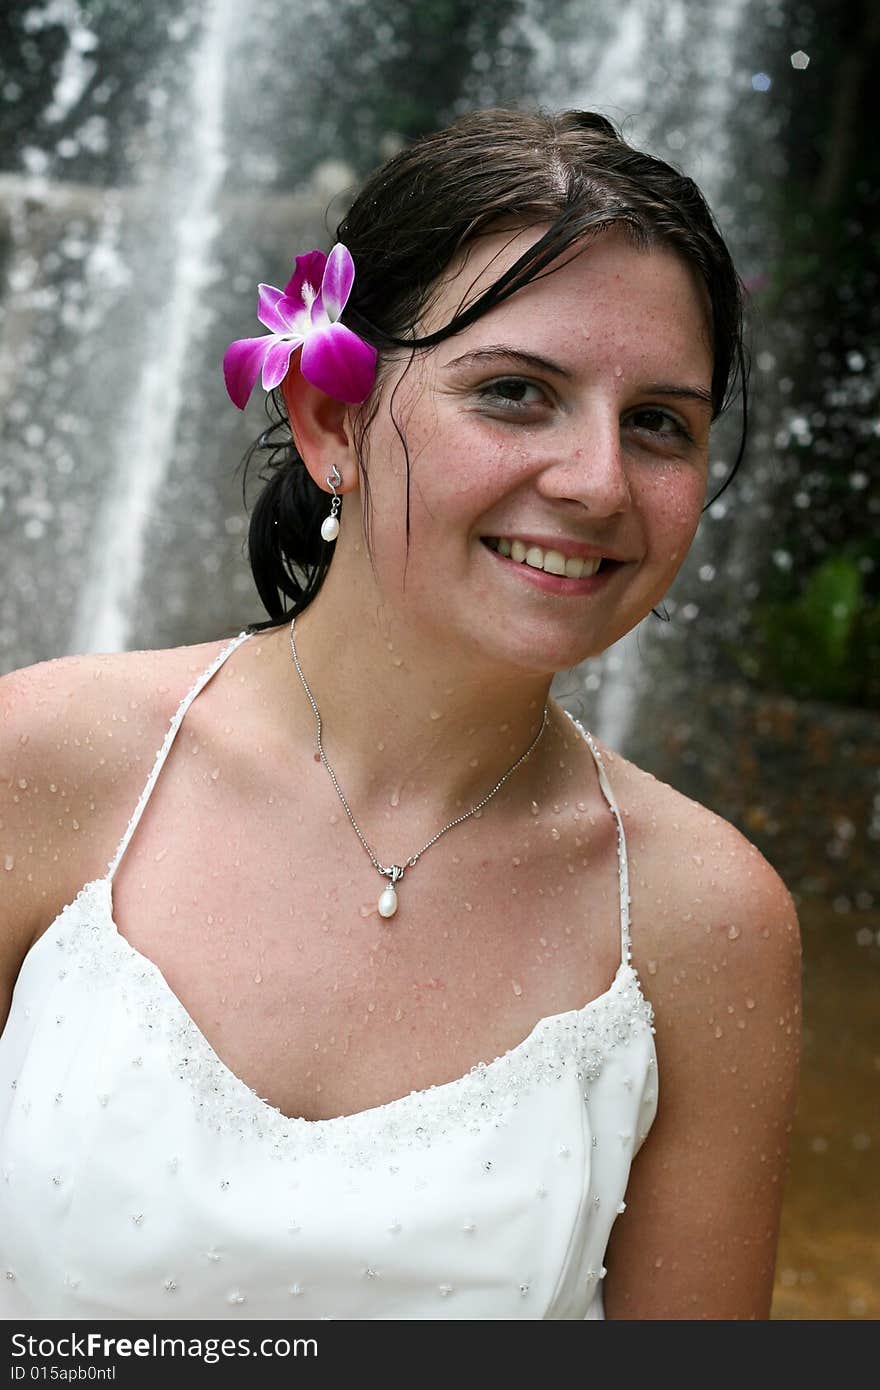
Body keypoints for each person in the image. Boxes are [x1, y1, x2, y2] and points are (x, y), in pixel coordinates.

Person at [0, 108, 800, 1321]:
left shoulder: (705, 921)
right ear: (332, 422)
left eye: (658, 424)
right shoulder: (48, 764)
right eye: (517, 392)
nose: (596, 481)